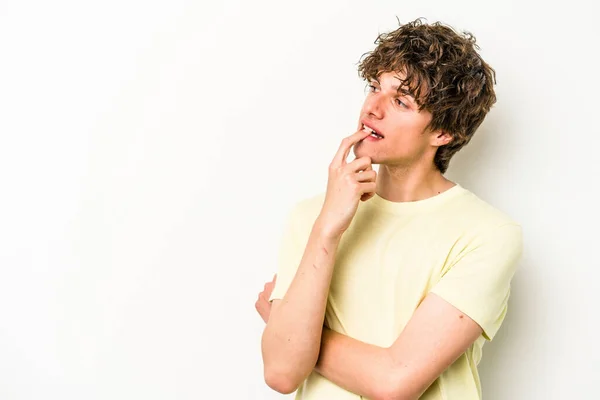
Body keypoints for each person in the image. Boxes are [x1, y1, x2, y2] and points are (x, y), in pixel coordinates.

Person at [255, 17, 523, 400]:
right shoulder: (312, 217)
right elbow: (282, 372)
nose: (373, 108)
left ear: (443, 132)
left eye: (401, 101)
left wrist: (298, 338)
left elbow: (394, 382)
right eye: (374, 87)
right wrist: (327, 229)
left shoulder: (487, 234)